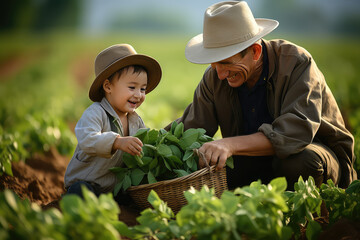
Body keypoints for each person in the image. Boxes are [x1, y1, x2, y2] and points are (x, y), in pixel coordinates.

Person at [175, 1, 357, 190]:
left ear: (255, 51)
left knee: (298, 162)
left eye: (226, 63)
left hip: (314, 155)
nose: (220, 74)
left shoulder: (297, 63)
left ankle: (313, 213)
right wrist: (147, 143)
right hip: (253, 162)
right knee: (210, 168)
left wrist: (230, 144)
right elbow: (190, 128)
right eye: (214, 64)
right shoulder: (214, 78)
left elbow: (295, 133)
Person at [64, 44, 162, 202]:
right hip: (89, 183)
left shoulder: (136, 120)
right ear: (108, 86)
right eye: (132, 87)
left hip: (114, 190)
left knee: (135, 201)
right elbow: (87, 139)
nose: (138, 95)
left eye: (143, 89)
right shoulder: (96, 113)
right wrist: (116, 141)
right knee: (81, 193)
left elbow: (144, 149)